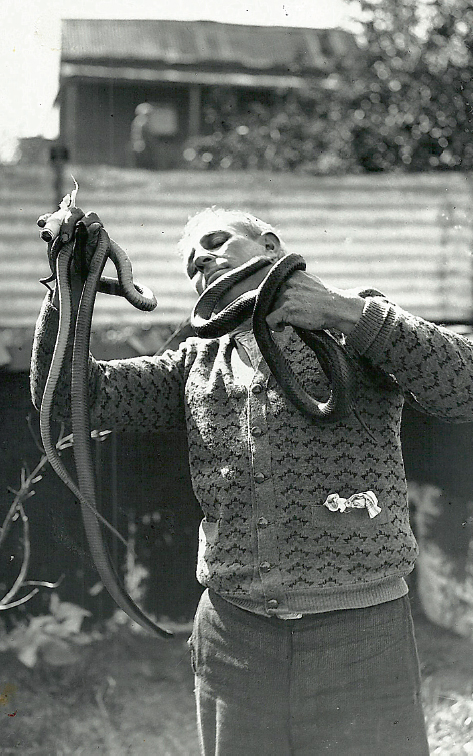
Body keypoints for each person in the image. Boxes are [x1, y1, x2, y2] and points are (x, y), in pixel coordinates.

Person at [31, 205, 473, 755]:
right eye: (191, 263)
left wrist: (343, 312)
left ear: (269, 244)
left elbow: (465, 385)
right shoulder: (193, 362)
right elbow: (74, 398)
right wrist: (65, 293)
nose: (203, 261)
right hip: (234, 637)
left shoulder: (356, 329)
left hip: (360, 633)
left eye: (217, 242)